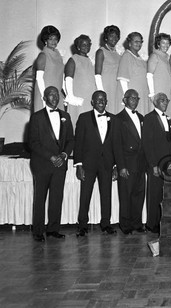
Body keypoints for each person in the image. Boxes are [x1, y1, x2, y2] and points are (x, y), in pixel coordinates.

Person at [29, 86, 74, 241]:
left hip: (60, 164)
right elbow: (33, 143)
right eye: (51, 95)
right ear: (44, 98)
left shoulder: (66, 116)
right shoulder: (36, 117)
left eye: (56, 95)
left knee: (56, 198)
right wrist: (51, 157)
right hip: (42, 164)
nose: (55, 97)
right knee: (40, 198)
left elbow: (70, 140)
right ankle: (38, 231)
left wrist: (64, 154)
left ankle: (53, 229)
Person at [74, 90, 118, 237]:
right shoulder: (84, 117)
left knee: (106, 195)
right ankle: (82, 225)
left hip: (107, 164)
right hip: (88, 164)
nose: (101, 101)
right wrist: (79, 165)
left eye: (103, 99)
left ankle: (106, 223)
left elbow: (116, 145)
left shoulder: (114, 119)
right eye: (98, 99)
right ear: (92, 102)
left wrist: (116, 165)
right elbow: (78, 143)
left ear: (107, 102)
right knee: (85, 195)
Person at [113, 89, 146, 235]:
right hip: (127, 163)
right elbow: (116, 145)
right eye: (131, 98)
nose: (134, 100)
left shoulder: (141, 117)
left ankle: (137, 223)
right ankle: (125, 225)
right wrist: (120, 166)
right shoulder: (118, 118)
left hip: (140, 163)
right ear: (124, 100)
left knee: (139, 194)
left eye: (136, 98)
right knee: (126, 195)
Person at [142, 93, 171, 235]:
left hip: (167, 164)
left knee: (165, 194)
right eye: (162, 100)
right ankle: (152, 224)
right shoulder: (149, 118)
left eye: (166, 100)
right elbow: (147, 144)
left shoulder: (168, 118)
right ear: (155, 102)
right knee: (154, 194)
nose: (165, 103)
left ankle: (163, 222)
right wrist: (153, 165)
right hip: (155, 164)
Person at [64, 34, 96, 123]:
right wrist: (71, 97)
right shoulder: (73, 60)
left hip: (89, 97)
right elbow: (68, 79)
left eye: (88, 45)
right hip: (78, 97)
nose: (86, 47)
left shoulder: (90, 60)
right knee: (78, 121)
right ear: (78, 46)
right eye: (83, 45)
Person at [33, 25, 64, 112]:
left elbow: (61, 75)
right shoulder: (43, 55)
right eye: (50, 39)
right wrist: (45, 97)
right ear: (45, 40)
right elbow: (39, 78)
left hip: (57, 93)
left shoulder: (59, 55)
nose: (54, 41)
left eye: (55, 38)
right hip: (45, 93)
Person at [117, 32, 149, 116]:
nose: (138, 44)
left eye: (140, 42)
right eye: (136, 41)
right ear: (130, 43)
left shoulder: (140, 57)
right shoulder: (127, 56)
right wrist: (127, 99)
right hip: (133, 97)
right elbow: (122, 80)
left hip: (142, 94)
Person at [95, 25, 121, 114]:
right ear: (106, 37)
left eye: (116, 36)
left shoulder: (117, 54)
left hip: (116, 88)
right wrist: (101, 92)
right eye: (111, 36)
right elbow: (97, 74)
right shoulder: (101, 51)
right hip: (106, 87)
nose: (114, 38)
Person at [147, 33, 171, 113]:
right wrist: (152, 94)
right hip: (158, 90)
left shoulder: (167, 57)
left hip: (166, 89)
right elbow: (149, 75)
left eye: (167, 43)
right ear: (158, 44)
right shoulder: (154, 56)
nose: (166, 45)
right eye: (163, 43)